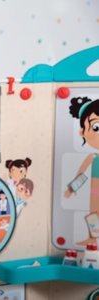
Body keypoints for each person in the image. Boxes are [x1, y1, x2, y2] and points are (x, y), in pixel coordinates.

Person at [64, 96, 99, 246]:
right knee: (93, 214)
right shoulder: (93, 156)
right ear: (82, 132)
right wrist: (72, 189)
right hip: (95, 188)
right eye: (96, 127)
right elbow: (81, 172)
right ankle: (93, 239)